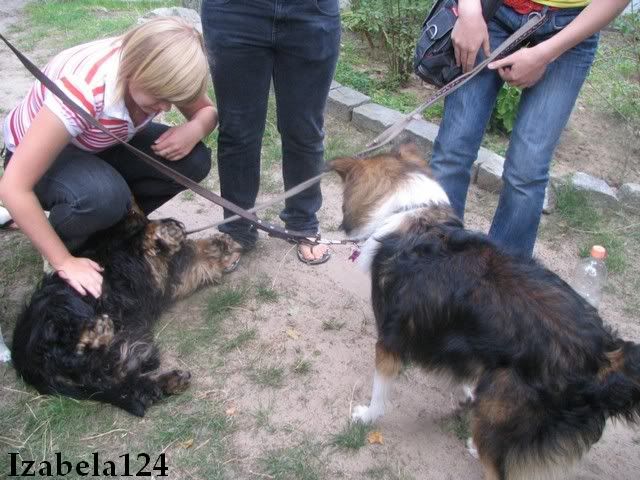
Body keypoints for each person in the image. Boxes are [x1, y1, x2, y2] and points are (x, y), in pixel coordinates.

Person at [0, 17, 218, 298]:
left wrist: (195, 128)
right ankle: (67, 241)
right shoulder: (84, 90)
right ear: (135, 69)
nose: (166, 108)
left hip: (98, 141)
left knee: (193, 161)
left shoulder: (163, 69)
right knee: (104, 197)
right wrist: (63, 262)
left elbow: (207, 112)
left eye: (173, 99)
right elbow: (13, 187)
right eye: (160, 97)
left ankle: (111, 227)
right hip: (38, 155)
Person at [430, 0, 631, 258]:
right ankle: (435, 265)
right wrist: (468, 9)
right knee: (452, 151)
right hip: (492, 10)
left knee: (527, 172)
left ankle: (503, 278)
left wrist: (545, 54)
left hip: (571, 25)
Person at [201, 0, 341, 265]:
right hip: (234, 10)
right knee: (238, 130)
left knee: (305, 129)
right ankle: (237, 229)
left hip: (312, 11)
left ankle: (302, 222)